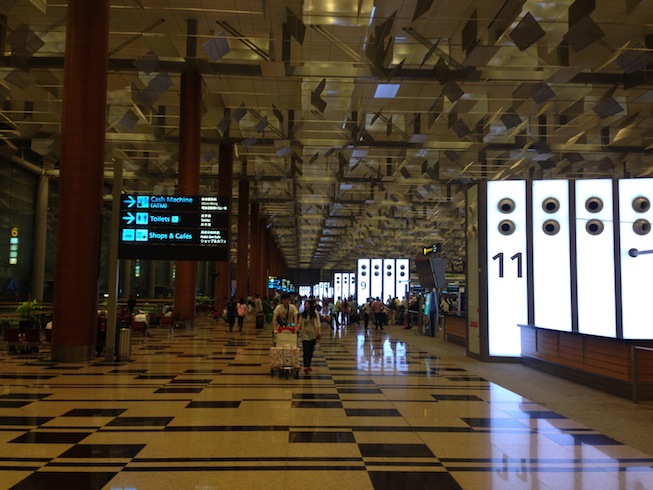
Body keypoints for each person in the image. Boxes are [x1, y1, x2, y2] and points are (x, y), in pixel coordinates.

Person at [298, 300, 321, 374]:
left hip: (313, 335)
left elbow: (318, 323)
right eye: (305, 304)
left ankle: (308, 365)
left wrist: (318, 332)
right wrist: (295, 330)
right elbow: (299, 324)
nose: (306, 306)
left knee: (311, 351)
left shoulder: (315, 313)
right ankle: (306, 366)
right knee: (306, 350)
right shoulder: (303, 314)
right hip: (304, 335)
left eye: (307, 304)